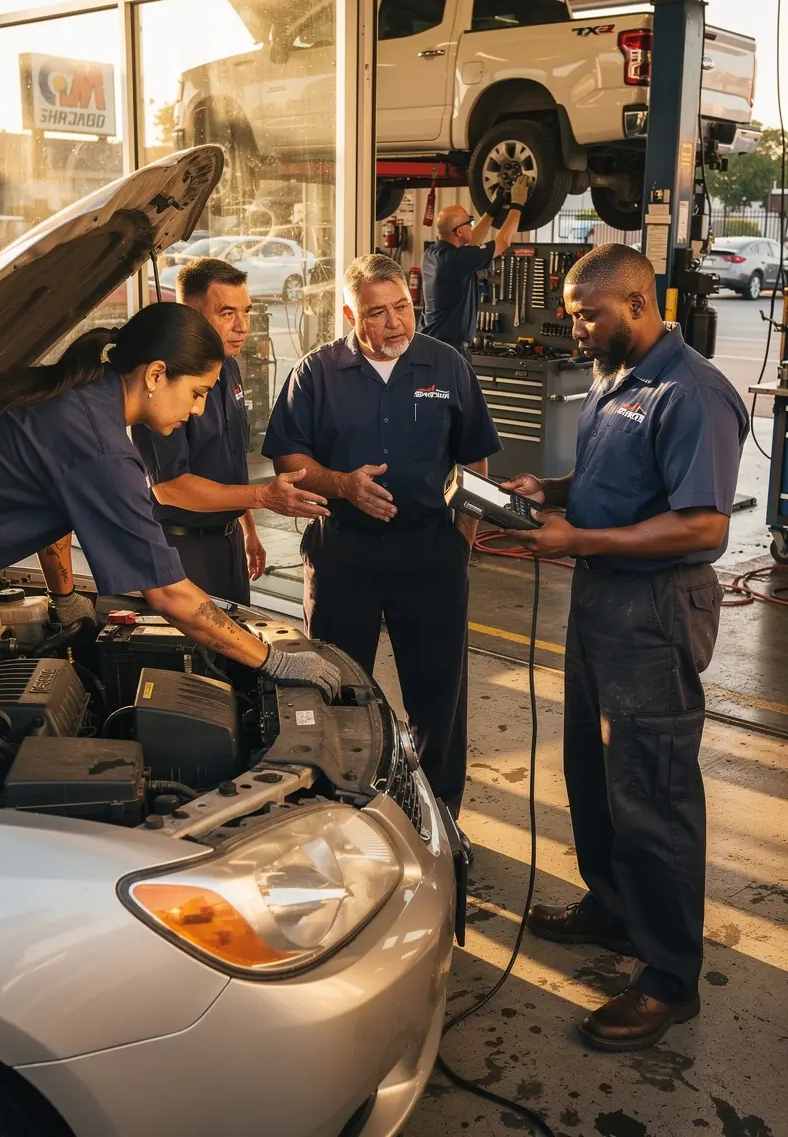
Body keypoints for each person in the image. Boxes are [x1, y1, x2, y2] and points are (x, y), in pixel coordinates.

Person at [505, 243, 749, 1051]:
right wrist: (551, 493)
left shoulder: (692, 393)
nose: (574, 328)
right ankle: (612, 908)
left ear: (639, 305)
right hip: (602, 596)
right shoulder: (615, 376)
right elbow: (614, 483)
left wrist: (578, 538)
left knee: (653, 792)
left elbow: (702, 525)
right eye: (572, 314)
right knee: (593, 769)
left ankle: (671, 979)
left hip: (654, 608)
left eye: (586, 314)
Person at [0, 303, 340, 701]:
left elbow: (55, 499)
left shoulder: (79, 395)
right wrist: (274, 661)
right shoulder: (103, 451)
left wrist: (63, 596)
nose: (198, 409)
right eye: (197, 393)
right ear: (156, 374)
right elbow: (169, 595)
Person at [262, 253, 502, 850]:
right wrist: (342, 485)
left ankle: (441, 820)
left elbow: (473, 455)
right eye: (377, 312)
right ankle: (344, 818)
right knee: (338, 691)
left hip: (431, 555)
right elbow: (288, 459)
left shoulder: (446, 364)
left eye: (402, 307)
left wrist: (462, 541)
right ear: (350, 315)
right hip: (345, 556)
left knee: (438, 696)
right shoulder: (316, 373)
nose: (395, 322)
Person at [132, 258, 329, 606]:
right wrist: (263, 497)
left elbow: (231, 461)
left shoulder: (229, 366)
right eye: (227, 313)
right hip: (181, 547)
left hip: (230, 541)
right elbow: (169, 488)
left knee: (237, 636)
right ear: (190, 313)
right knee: (197, 642)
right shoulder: (164, 382)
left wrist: (249, 531)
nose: (243, 326)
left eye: (246, 311)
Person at [420, 174, 531, 360]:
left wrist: (493, 208)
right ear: (460, 231)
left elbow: (472, 243)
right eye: (470, 222)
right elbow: (503, 242)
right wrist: (517, 203)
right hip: (448, 352)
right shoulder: (456, 260)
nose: (472, 226)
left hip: (433, 346)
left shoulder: (433, 254)